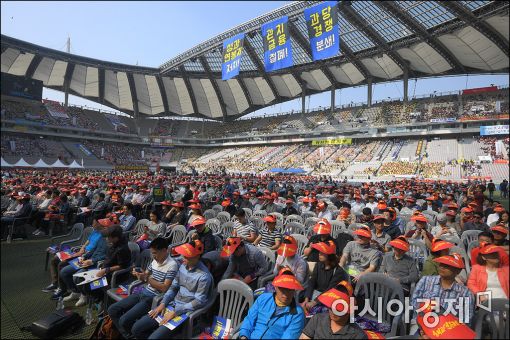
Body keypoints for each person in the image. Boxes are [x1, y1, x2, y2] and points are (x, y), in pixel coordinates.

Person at [131, 240, 213, 339]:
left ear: (197, 256)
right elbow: (174, 287)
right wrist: (163, 303)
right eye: (183, 255)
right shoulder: (183, 266)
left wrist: (176, 312)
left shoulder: (204, 276)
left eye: (186, 256)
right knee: (136, 328)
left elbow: (199, 301)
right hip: (171, 306)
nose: (183, 258)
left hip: (185, 313)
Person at [108, 238, 178, 339]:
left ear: (164, 250)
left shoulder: (172, 265)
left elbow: (164, 288)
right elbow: (146, 274)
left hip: (153, 299)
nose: (153, 256)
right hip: (143, 292)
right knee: (112, 309)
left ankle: (131, 334)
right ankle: (128, 335)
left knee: (124, 320)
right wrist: (139, 274)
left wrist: (147, 279)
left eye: (155, 253)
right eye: (152, 253)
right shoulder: (155, 261)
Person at [50, 217, 110, 304]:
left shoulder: (109, 241)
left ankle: (84, 295)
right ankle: (75, 292)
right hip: (87, 259)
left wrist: (91, 260)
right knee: (63, 270)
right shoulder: (100, 236)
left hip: (97, 265)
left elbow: (105, 257)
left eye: (95, 223)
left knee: (75, 274)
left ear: (104, 227)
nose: (92, 224)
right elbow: (92, 250)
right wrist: (84, 255)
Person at [411, 253, 475, 332]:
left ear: (458, 271)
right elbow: (415, 303)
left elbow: (466, 321)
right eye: (441, 264)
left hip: (449, 331)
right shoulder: (425, 281)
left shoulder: (465, 293)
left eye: (448, 265)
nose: (442, 267)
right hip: (422, 325)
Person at [76, 225, 132, 310]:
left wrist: (106, 270)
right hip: (104, 272)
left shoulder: (122, 249)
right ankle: (99, 299)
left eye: (108, 237)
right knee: (82, 280)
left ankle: (101, 300)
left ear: (116, 238)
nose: (106, 239)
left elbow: (122, 266)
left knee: (89, 286)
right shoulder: (114, 244)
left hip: (114, 276)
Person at [239, 268, 305, 339]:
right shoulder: (263, 298)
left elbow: (289, 336)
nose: (286, 294)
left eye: (290, 290)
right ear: (275, 287)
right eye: (282, 289)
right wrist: (244, 335)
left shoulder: (297, 313)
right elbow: (249, 319)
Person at [300, 281, 367, 339]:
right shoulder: (317, 319)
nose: (333, 310)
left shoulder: (358, 335)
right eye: (331, 304)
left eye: (339, 307)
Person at [303, 240, 349, 313]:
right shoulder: (318, 265)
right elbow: (312, 282)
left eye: (322, 253)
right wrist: (306, 299)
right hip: (315, 295)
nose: (319, 254)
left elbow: (330, 289)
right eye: (319, 252)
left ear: (329, 255)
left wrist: (314, 302)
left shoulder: (338, 271)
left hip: (328, 298)